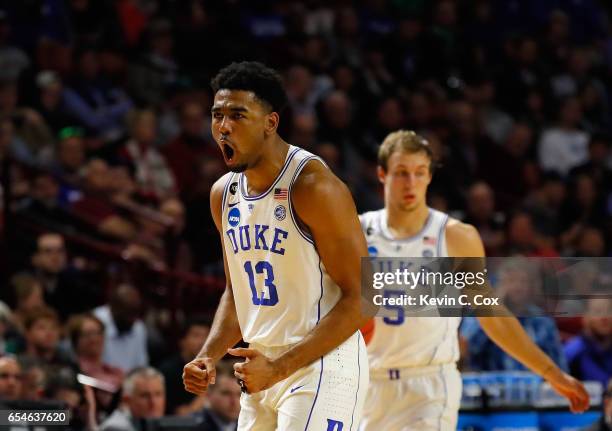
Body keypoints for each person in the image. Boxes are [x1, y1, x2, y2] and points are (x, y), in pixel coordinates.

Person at [358, 130, 589, 431]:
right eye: (401, 173)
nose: (411, 182)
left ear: (429, 176)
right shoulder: (358, 232)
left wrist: (552, 373)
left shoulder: (455, 236)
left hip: (429, 383)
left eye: (419, 172)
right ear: (382, 174)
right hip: (368, 383)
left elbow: (491, 315)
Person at [182, 61, 369, 430]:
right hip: (258, 369)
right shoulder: (223, 194)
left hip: (321, 362)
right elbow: (238, 293)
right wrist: (207, 355)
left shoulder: (313, 187)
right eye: (217, 115)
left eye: (238, 115)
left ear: (271, 122)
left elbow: (364, 295)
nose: (224, 127)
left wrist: (280, 367)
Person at [99, 367, 165, 431]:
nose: (153, 402)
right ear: (126, 400)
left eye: (158, 394)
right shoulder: (115, 427)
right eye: (145, 396)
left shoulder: (165, 424)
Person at [196, 360, 241, 431]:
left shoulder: (252, 426)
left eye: (240, 394)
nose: (234, 402)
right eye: (226, 393)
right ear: (208, 394)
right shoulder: (189, 426)